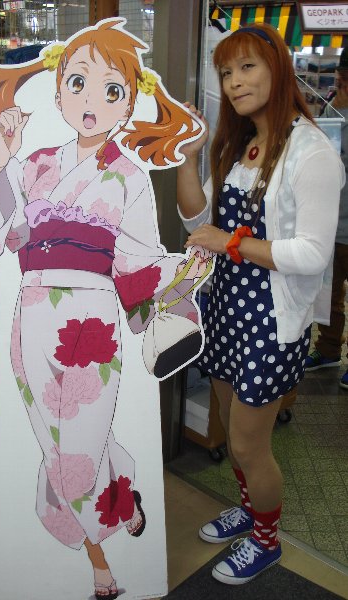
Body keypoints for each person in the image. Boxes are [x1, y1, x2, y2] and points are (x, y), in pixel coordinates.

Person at [0, 19, 204, 600]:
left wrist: (182, 271)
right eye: (78, 83)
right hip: (31, 318)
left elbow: (136, 261)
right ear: (58, 93)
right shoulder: (34, 165)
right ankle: (120, 503)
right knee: (57, 445)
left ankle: (101, 564)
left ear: (128, 105)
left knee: (77, 453)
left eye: (112, 90)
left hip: (91, 326)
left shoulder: (128, 177)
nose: (91, 101)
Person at [176, 23, 344, 585]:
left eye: (247, 67)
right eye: (226, 71)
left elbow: (313, 253)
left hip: (272, 323)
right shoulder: (241, 144)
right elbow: (196, 222)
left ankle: (267, 540)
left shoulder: (311, 152)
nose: (234, 81)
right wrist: (188, 158)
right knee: (231, 427)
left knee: (250, 445)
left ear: (279, 70)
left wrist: (229, 242)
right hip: (227, 309)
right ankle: (249, 512)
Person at [305, 52, 348, 388]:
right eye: (340, 78)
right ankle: (329, 349)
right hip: (333, 223)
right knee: (329, 293)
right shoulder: (333, 110)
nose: (339, 83)